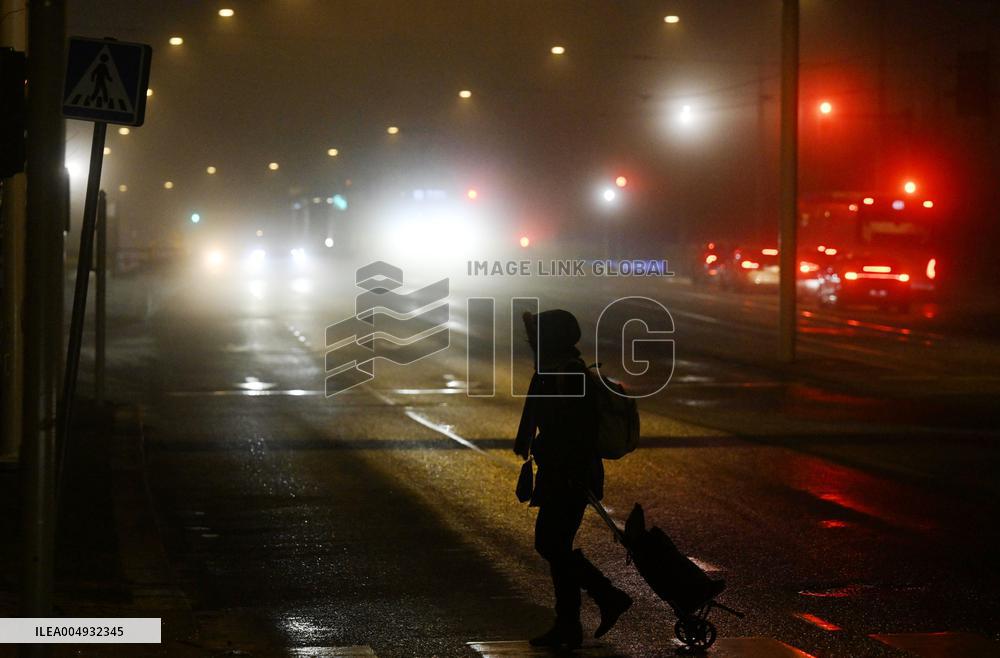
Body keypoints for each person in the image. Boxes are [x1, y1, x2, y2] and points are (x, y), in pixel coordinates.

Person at [514, 309, 632, 649]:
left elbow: (575, 431)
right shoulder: (558, 370)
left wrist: (569, 473)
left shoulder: (569, 375)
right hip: (562, 472)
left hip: (570, 475)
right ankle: (568, 624)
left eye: (539, 337)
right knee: (556, 546)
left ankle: (607, 597)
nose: (533, 343)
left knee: (550, 544)